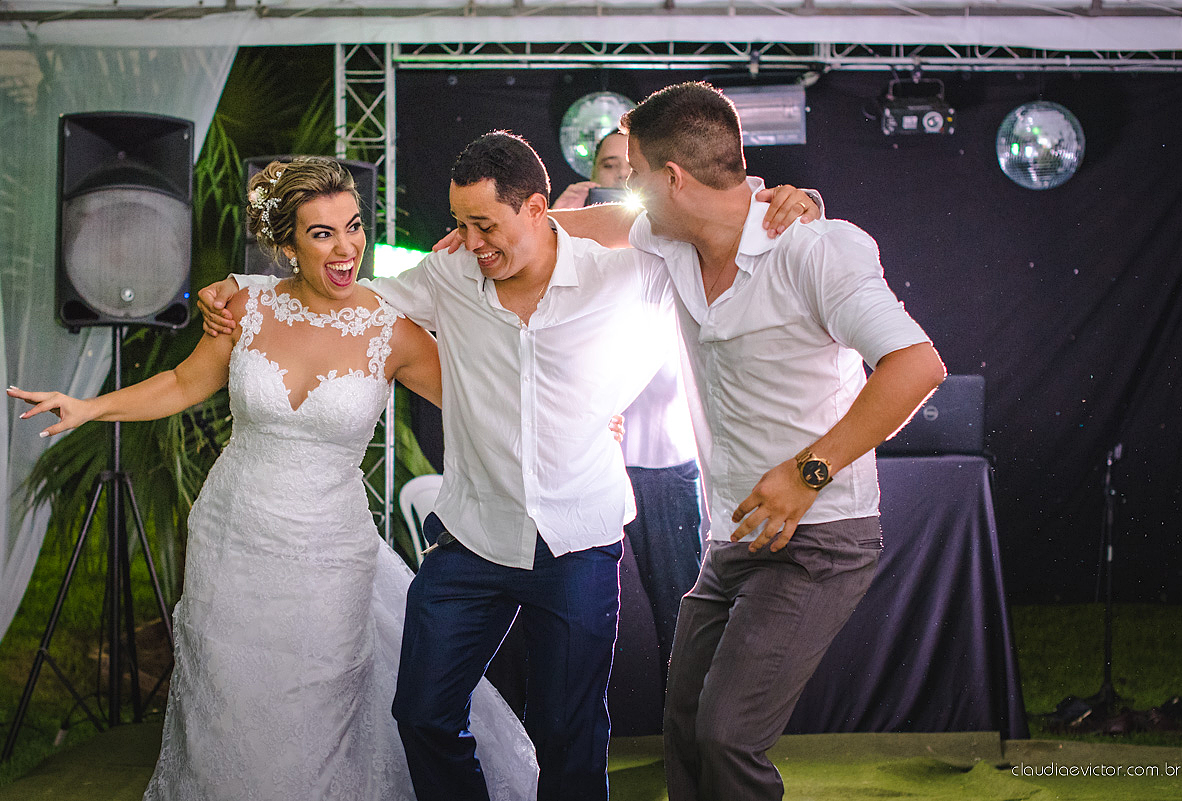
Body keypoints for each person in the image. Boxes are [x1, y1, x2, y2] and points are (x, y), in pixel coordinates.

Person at [197, 134, 817, 801]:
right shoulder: (447, 276)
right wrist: (245, 285)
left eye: (483, 224)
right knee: (424, 712)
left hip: (578, 539)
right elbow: (343, 293)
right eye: (461, 224)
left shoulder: (625, 273)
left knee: (570, 732)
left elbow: (697, 227)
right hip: (470, 538)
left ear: (537, 208)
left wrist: (789, 202)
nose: (469, 241)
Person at [8, 157, 538, 801]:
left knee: (318, 709)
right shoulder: (245, 304)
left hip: (329, 552)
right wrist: (89, 406)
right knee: (228, 702)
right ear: (286, 247)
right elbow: (182, 383)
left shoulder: (390, 329)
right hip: (232, 540)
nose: (347, 247)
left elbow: (480, 405)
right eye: (322, 234)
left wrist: (578, 424)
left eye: (353, 226)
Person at [558, 82, 947, 801]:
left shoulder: (817, 247)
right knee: (684, 725)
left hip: (820, 536)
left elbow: (917, 364)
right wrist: (502, 226)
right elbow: (593, 229)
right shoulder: (670, 242)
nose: (627, 188)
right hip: (731, 539)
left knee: (728, 735)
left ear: (671, 177)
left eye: (634, 172)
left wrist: (809, 471)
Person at [554, 129, 703, 694]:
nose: (620, 178)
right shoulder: (566, 240)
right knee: (577, 623)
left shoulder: (673, 237)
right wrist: (560, 223)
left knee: (682, 614)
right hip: (584, 461)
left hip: (662, 459)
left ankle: (690, 746)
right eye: (608, 167)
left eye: (629, 167)